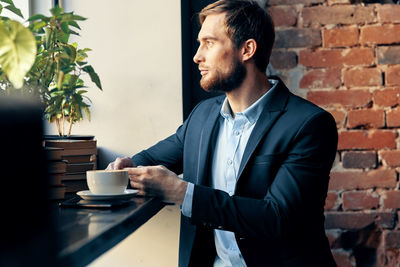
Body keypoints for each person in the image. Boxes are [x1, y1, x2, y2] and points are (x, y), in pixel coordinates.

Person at [107, 0, 338, 266]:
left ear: (247, 49)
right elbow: (148, 159)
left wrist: (182, 193)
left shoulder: (309, 124)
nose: (197, 56)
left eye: (209, 43)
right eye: (199, 43)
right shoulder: (202, 116)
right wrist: (127, 167)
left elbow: (278, 217)